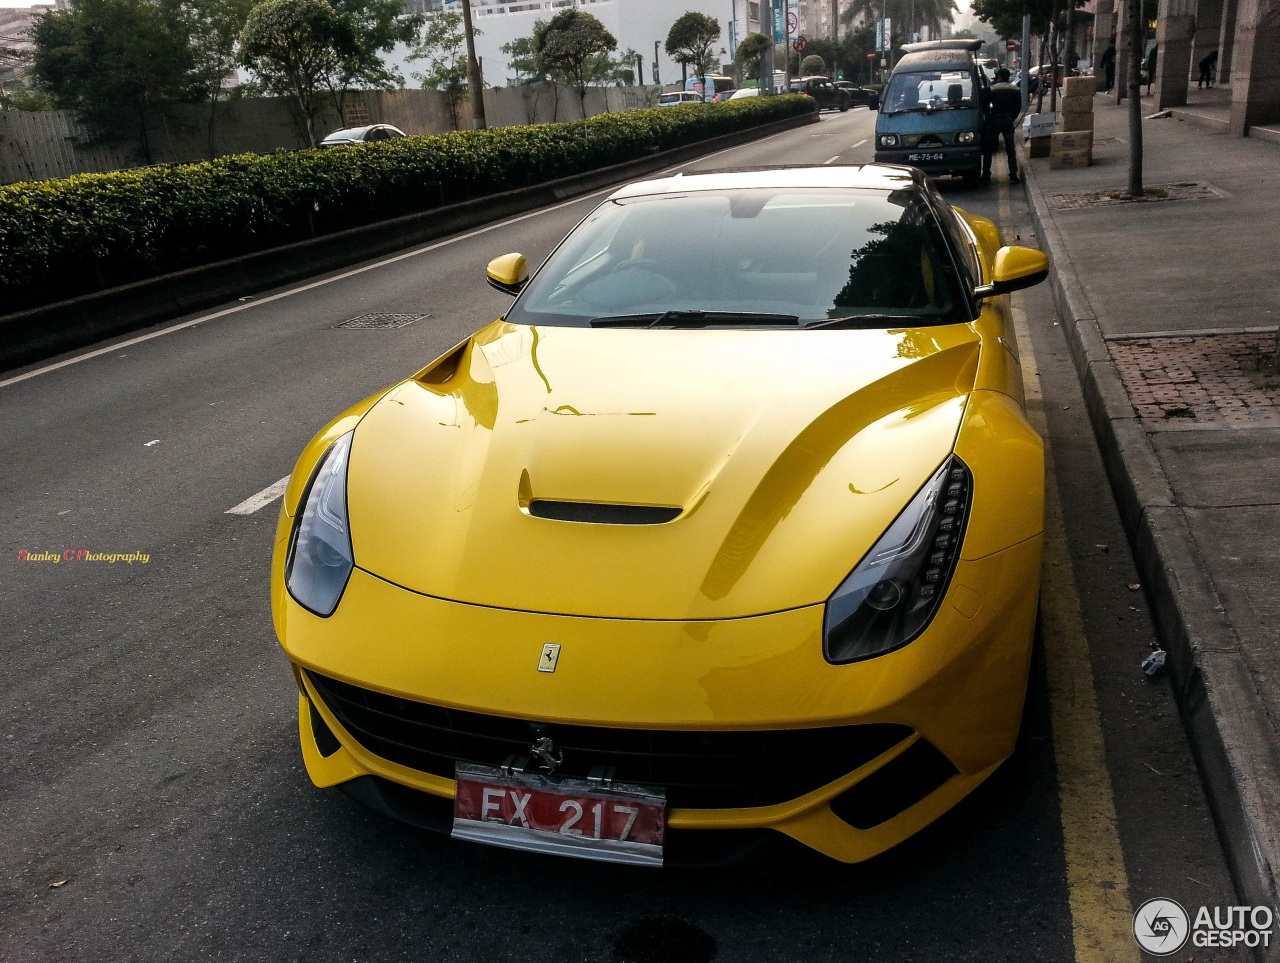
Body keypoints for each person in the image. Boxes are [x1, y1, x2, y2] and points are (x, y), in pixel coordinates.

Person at [982, 67, 1022, 185]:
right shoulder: (1015, 89)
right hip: (1008, 120)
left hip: (994, 120)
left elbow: (984, 105)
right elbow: (1018, 107)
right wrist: (1011, 118)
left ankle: (986, 175)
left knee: (988, 149)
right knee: (1010, 149)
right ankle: (1013, 175)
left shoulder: (992, 89)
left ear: (999, 77)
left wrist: (988, 118)